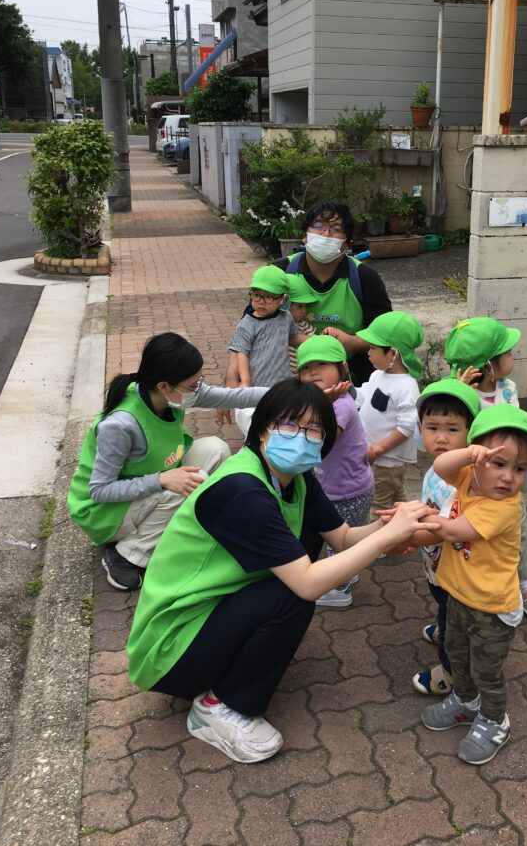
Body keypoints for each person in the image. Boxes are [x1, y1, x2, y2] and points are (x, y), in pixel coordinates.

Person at [126, 379, 435, 764]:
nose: (301, 437)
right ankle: (218, 707)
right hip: (170, 648)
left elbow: (342, 538)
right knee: (292, 596)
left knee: (307, 540)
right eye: (289, 424)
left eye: (314, 430)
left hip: (210, 611)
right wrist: (387, 536)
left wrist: (390, 526)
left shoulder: (296, 477)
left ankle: (236, 661)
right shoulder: (243, 490)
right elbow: (306, 584)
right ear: (263, 429)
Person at [67, 333, 270, 592]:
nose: (199, 389)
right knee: (191, 484)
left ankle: (173, 524)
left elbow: (234, 397)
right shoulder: (120, 426)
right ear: (164, 385)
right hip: (102, 513)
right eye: (193, 384)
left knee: (216, 450)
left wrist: (290, 394)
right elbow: (99, 490)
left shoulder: (166, 394)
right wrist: (161, 480)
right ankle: (126, 554)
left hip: (145, 483)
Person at [419, 405, 527, 766]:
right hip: (459, 596)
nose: (508, 478)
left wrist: (416, 520)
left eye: (519, 469)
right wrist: (469, 454)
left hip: (493, 610)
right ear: (478, 459)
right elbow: (441, 467)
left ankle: (494, 720)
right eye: (498, 464)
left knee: (486, 671)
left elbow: (454, 530)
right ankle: (465, 702)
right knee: (457, 654)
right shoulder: (469, 477)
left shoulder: (504, 507)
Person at [444, 317, 527, 626]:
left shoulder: (508, 389)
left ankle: (526, 587)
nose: (513, 357)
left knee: (519, 534)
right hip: (474, 485)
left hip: (507, 484)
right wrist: (459, 394)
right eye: (508, 352)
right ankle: (461, 593)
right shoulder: (461, 395)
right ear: (489, 365)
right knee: (470, 539)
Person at [409, 377, 482, 697]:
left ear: (471, 432)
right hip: (436, 565)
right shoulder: (436, 470)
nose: (440, 437)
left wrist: (405, 535)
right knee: (442, 602)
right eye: (432, 427)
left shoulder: (465, 480)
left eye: (452, 429)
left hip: (456, 570)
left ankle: (451, 673)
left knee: (453, 618)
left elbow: (444, 528)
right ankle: (444, 623)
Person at [272, 200, 392, 385]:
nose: (326, 234)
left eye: (336, 229)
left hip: (351, 374)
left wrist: (352, 342)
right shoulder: (280, 273)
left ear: (347, 244)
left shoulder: (365, 278)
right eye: (319, 226)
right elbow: (254, 324)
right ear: (304, 236)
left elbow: (387, 336)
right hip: (289, 374)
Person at [295, 336, 373, 609]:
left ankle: (340, 589)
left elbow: (321, 440)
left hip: (347, 490)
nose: (313, 372)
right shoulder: (327, 402)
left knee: (337, 541)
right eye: (306, 368)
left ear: (342, 368)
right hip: (340, 486)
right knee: (343, 538)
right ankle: (348, 573)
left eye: (322, 364)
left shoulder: (340, 405)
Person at [355, 311, 423, 510]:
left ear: (392, 354)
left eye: (373, 348)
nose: (368, 353)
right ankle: (408, 524)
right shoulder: (378, 375)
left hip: (387, 461)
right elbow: (364, 394)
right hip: (377, 455)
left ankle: (379, 530)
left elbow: (407, 426)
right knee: (397, 498)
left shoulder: (406, 386)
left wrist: (380, 448)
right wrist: (346, 390)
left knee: (378, 505)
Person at [225, 265, 310, 390]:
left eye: (268, 297)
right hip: (256, 385)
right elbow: (241, 354)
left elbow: (293, 337)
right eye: (256, 295)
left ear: (283, 299)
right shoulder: (247, 324)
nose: (261, 301)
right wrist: (245, 381)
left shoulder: (286, 316)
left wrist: (318, 340)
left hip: (283, 383)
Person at [285, 272, 317, 374]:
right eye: (300, 306)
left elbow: (316, 341)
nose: (304, 311)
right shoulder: (272, 324)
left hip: (298, 374)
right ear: (285, 304)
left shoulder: (303, 325)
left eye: (305, 307)